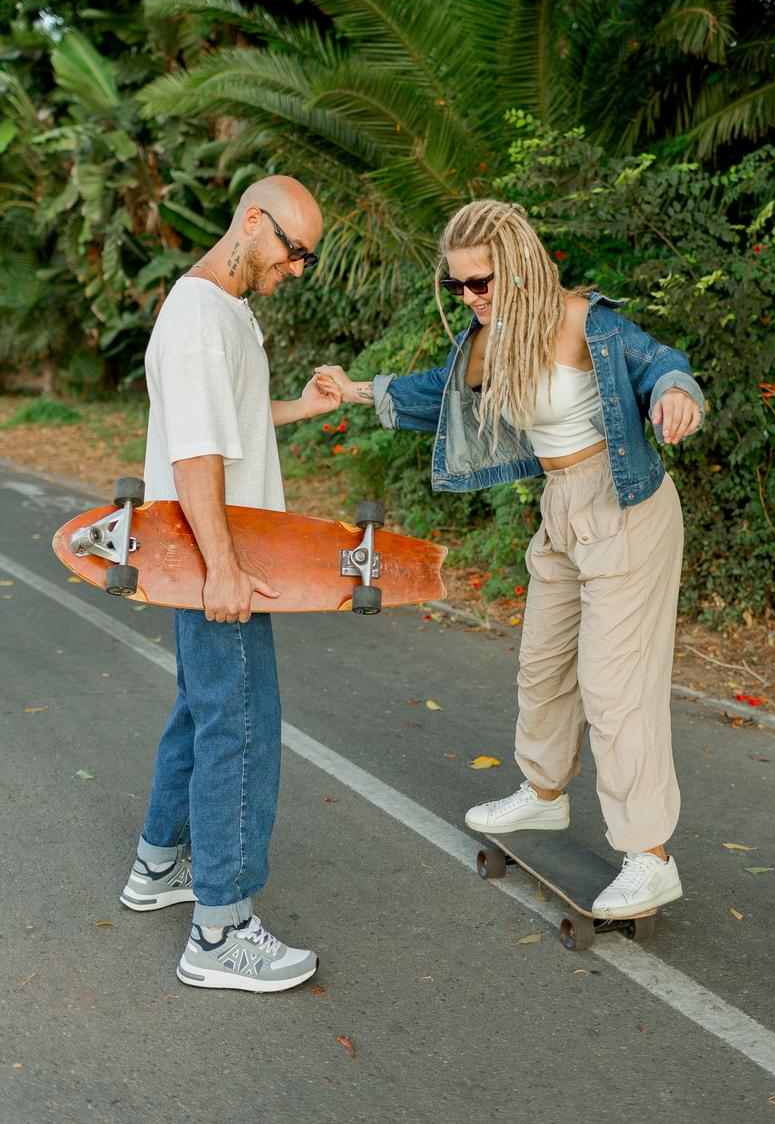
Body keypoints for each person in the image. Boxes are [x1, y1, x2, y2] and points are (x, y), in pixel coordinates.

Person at [316, 198, 703, 918]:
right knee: (544, 664)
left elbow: (660, 365)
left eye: (483, 282)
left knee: (617, 685)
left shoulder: (583, 321)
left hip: (624, 505)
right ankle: (544, 794)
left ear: (521, 265)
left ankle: (650, 856)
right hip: (561, 507)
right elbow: (439, 393)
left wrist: (677, 395)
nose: (471, 297)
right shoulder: (490, 342)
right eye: (460, 285)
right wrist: (358, 390)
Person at [120, 176, 343, 993]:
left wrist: (303, 407)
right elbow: (195, 456)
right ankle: (220, 933)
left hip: (218, 555)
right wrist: (223, 566)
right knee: (240, 722)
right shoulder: (199, 318)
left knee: (204, 707)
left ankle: (158, 865)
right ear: (254, 222)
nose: (298, 269)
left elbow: (232, 422)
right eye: (294, 251)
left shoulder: (225, 314)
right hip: (218, 559)